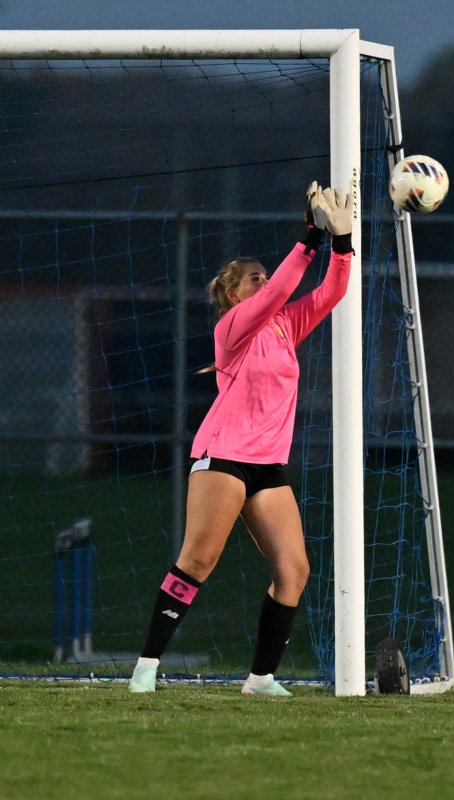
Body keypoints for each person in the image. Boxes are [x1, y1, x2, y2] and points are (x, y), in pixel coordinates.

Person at [129, 181, 354, 696]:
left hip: (268, 467)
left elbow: (333, 292)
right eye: (254, 278)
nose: (266, 282)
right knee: (198, 560)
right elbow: (281, 291)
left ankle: (260, 678)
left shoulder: (283, 327)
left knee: (294, 570)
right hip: (223, 457)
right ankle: (146, 667)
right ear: (233, 294)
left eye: (265, 276)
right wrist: (309, 237)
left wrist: (341, 241)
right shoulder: (233, 327)